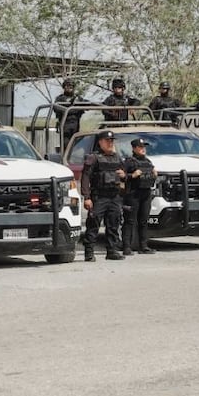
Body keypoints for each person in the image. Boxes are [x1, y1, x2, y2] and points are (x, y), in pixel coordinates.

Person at [80, 129, 126, 261]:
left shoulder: (118, 158)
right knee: (93, 224)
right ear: (100, 142)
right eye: (107, 141)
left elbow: (125, 174)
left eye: (112, 141)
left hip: (114, 197)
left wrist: (124, 176)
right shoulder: (94, 157)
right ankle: (89, 253)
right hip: (99, 196)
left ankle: (112, 251)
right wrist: (87, 197)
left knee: (113, 224)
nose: (110, 143)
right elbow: (86, 177)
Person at [122, 138, 157, 255]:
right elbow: (121, 176)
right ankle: (126, 247)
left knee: (143, 221)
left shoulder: (148, 161)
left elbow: (151, 176)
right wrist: (132, 175)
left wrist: (155, 175)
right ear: (134, 148)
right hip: (133, 194)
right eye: (140, 147)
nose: (143, 149)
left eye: (144, 147)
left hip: (146, 193)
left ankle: (144, 246)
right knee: (130, 221)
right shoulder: (129, 161)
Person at [54, 79, 90, 145]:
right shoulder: (60, 99)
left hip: (75, 125)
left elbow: (87, 104)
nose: (69, 88)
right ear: (64, 87)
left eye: (71, 86)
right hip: (65, 124)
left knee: (75, 145)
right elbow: (56, 108)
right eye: (67, 86)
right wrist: (70, 108)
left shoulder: (78, 98)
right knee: (66, 144)